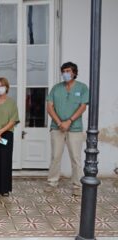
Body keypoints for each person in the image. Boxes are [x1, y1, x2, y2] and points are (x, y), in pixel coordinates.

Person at [44, 62, 89, 196]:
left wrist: (69, 121)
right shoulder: (56, 88)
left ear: (74, 72)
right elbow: (49, 107)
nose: (66, 74)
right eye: (64, 71)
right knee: (55, 156)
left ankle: (77, 185)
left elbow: (82, 107)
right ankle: (52, 182)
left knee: (75, 158)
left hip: (75, 128)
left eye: (68, 71)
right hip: (57, 128)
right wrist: (59, 123)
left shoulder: (82, 88)